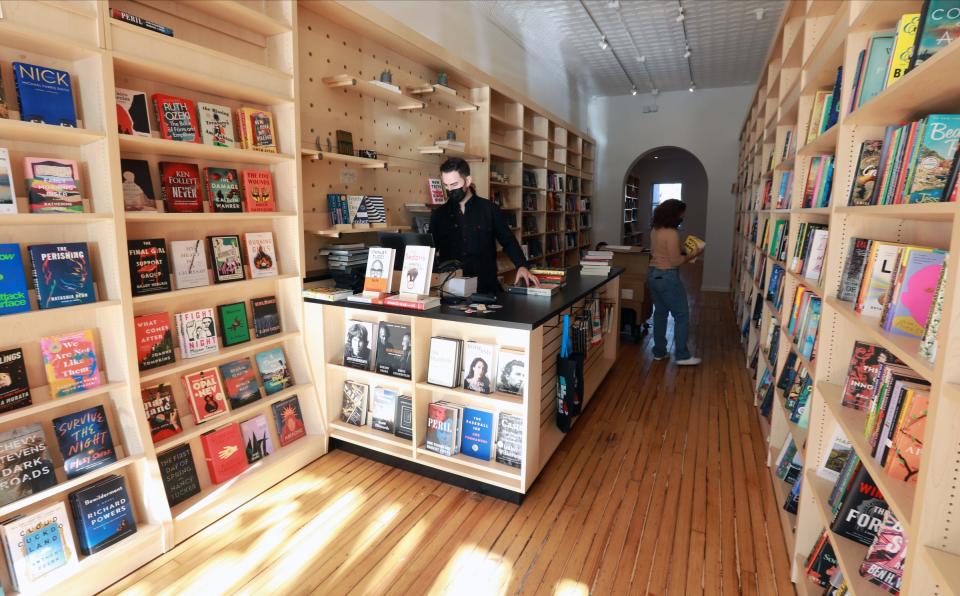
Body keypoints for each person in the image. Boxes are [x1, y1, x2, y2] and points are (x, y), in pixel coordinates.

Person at [430, 158, 539, 293]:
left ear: (468, 181)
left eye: (454, 184)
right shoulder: (438, 215)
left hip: (485, 286)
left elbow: (508, 241)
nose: (450, 190)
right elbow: (429, 250)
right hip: (450, 288)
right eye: (446, 185)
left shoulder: (489, 209)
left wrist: (522, 266)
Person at [647, 199, 702, 365]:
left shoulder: (655, 230)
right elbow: (676, 261)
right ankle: (682, 355)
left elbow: (659, 251)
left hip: (653, 275)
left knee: (660, 314)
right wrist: (694, 254)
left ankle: (659, 352)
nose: (682, 217)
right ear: (674, 214)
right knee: (682, 315)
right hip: (667, 277)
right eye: (681, 214)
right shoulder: (672, 233)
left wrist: (682, 251)